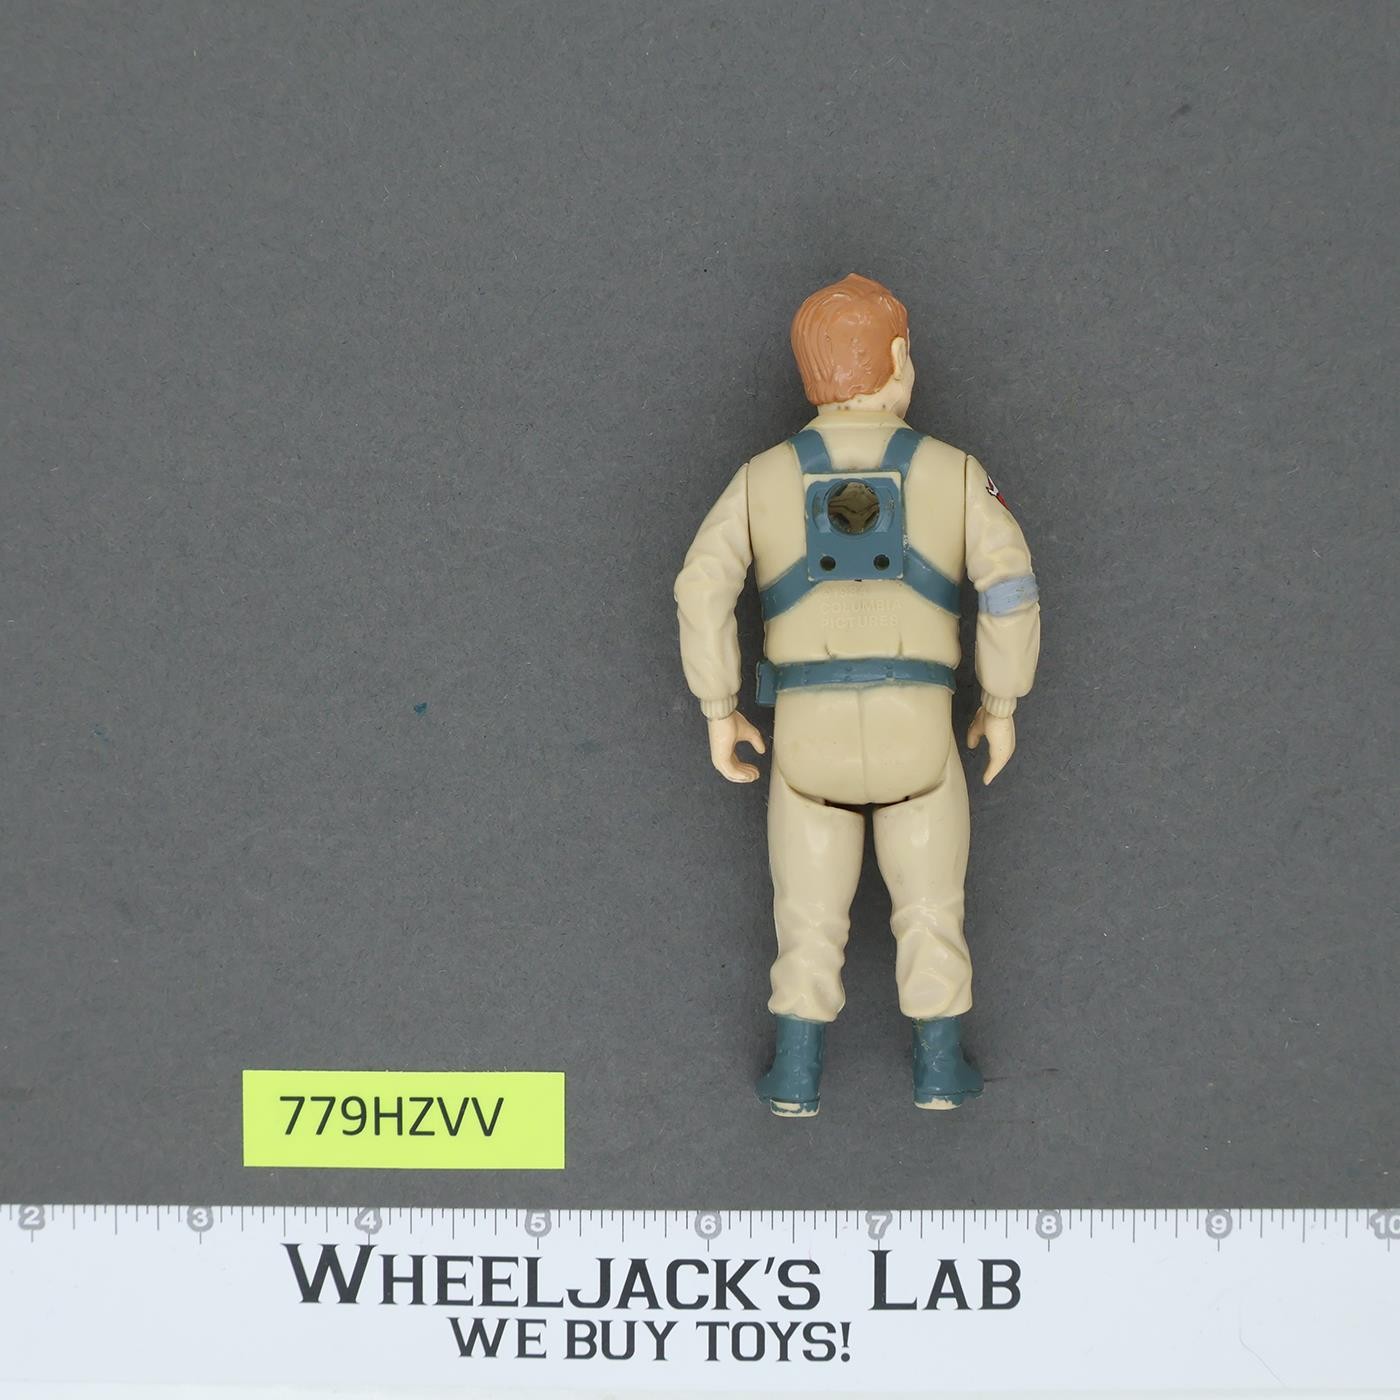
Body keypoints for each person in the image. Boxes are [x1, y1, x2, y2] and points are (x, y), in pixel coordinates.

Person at [674, 273, 1041, 1117]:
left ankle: (795, 1073)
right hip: (920, 729)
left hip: (810, 735)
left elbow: (701, 586)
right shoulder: (954, 472)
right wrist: (1001, 701)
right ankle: (939, 1069)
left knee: (805, 913)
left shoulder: (762, 477)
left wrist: (719, 707)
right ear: (900, 359)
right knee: (932, 904)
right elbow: (1010, 586)